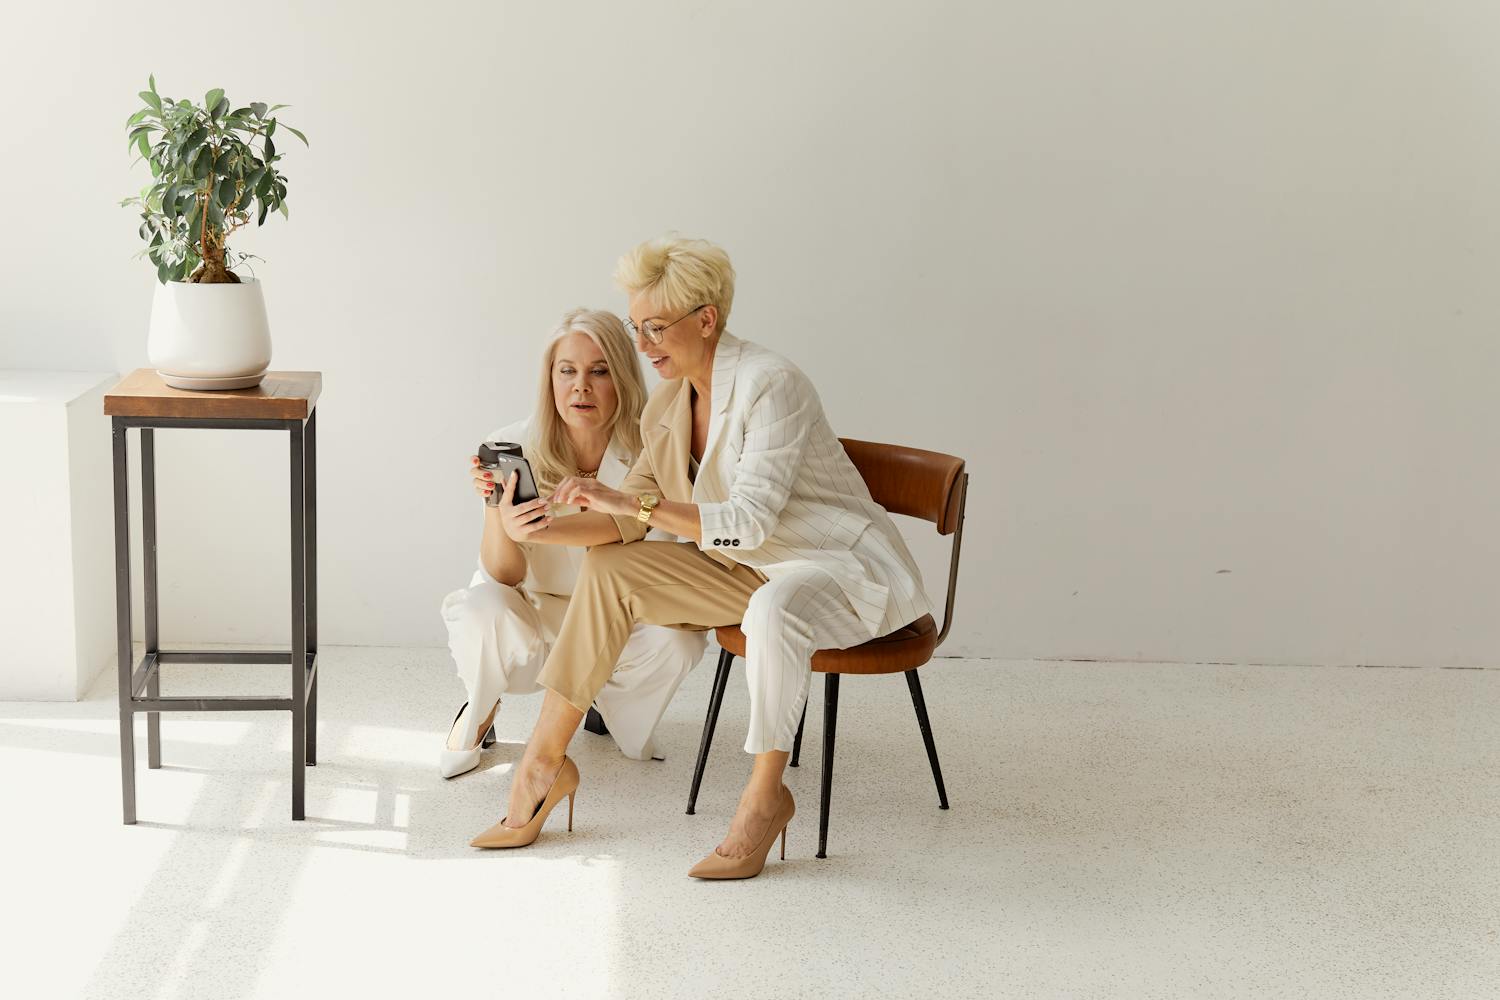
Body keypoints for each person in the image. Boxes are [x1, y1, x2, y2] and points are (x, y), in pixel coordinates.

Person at [470, 238, 930, 880]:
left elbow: (747, 520)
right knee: (612, 570)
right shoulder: (668, 402)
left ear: (707, 319)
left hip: (835, 569)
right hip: (746, 570)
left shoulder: (773, 385)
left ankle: (764, 798)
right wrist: (533, 524)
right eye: (638, 328)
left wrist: (633, 505)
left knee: (773, 608)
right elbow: (622, 527)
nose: (645, 344)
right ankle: (544, 766)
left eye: (656, 327)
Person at [438, 308, 707, 778]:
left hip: (620, 616)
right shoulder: (511, 444)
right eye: (568, 371)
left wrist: (542, 527)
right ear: (551, 379)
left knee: (679, 641)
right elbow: (504, 576)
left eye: (599, 371)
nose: (581, 386)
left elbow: (637, 532)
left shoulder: (654, 447)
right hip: (536, 610)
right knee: (483, 610)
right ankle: (480, 710)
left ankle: (616, 710)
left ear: (621, 377)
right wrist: (494, 508)